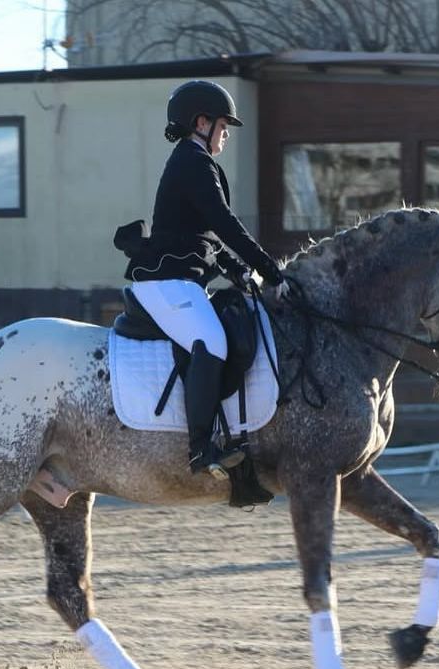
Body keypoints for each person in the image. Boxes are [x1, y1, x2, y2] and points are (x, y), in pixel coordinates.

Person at [123, 79, 287, 479]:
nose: (226, 134)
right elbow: (225, 224)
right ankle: (201, 448)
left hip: (184, 279)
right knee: (210, 341)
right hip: (166, 282)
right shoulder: (193, 162)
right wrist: (269, 268)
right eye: (223, 125)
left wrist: (236, 269)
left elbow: (205, 236)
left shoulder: (193, 162)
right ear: (201, 123)